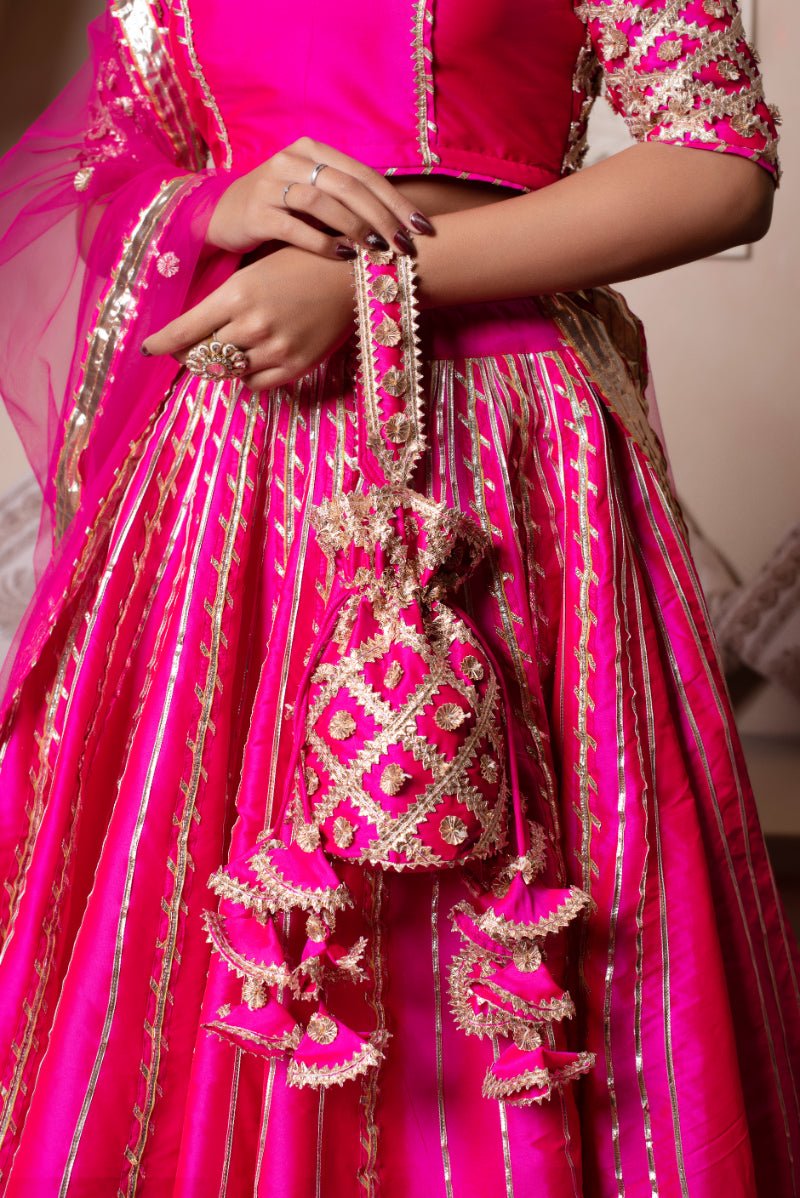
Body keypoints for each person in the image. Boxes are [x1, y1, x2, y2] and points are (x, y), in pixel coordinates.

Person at [0, 0, 796, 1194]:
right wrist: (214, 207)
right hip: (241, 453)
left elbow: (716, 164)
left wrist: (383, 281)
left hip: (502, 441)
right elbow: (108, 172)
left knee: (514, 865)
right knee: (209, 878)